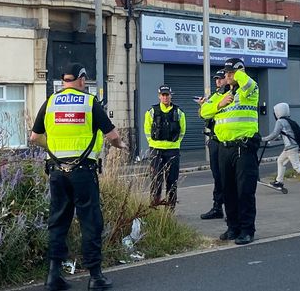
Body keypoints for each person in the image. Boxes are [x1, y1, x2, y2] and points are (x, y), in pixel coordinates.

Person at [30, 63, 126, 291]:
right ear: (82, 80)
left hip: (56, 172)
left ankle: (53, 276)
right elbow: (112, 134)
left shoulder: (50, 102)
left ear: (64, 80)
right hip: (83, 172)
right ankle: (95, 277)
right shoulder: (89, 102)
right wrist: (119, 144)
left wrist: (53, 147)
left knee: (58, 222)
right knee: (90, 221)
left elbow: (34, 137)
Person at [200, 57, 260, 245]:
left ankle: (247, 230)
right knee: (228, 191)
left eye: (230, 73)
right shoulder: (221, 95)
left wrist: (238, 73)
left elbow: (247, 83)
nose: (227, 76)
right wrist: (220, 103)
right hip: (224, 149)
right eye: (226, 73)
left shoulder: (249, 90)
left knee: (245, 191)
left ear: (241, 72)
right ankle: (233, 227)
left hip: (243, 147)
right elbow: (204, 112)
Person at [261, 102, 300, 194]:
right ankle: (279, 182)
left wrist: (262, 139)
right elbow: (283, 136)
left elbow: (274, 134)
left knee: (296, 166)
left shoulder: (280, 121)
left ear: (278, 112)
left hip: (291, 148)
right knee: (280, 161)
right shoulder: (289, 121)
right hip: (291, 147)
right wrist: (272, 139)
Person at [144, 84, 186, 208]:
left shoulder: (178, 112)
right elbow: (147, 129)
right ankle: (154, 206)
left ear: (170, 96)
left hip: (173, 150)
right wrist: (152, 144)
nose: (165, 98)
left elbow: (182, 130)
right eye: (163, 95)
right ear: (159, 96)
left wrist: (175, 144)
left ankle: (170, 208)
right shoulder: (151, 111)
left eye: (167, 95)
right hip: (156, 150)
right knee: (156, 179)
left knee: (172, 180)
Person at [199, 69, 228, 220]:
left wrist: (211, 107)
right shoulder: (215, 96)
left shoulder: (229, 94)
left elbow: (209, 110)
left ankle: (229, 208)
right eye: (216, 79)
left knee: (226, 176)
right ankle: (217, 207)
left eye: (221, 78)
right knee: (217, 175)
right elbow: (203, 113)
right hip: (214, 140)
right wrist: (208, 106)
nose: (218, 81)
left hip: (225, 141)